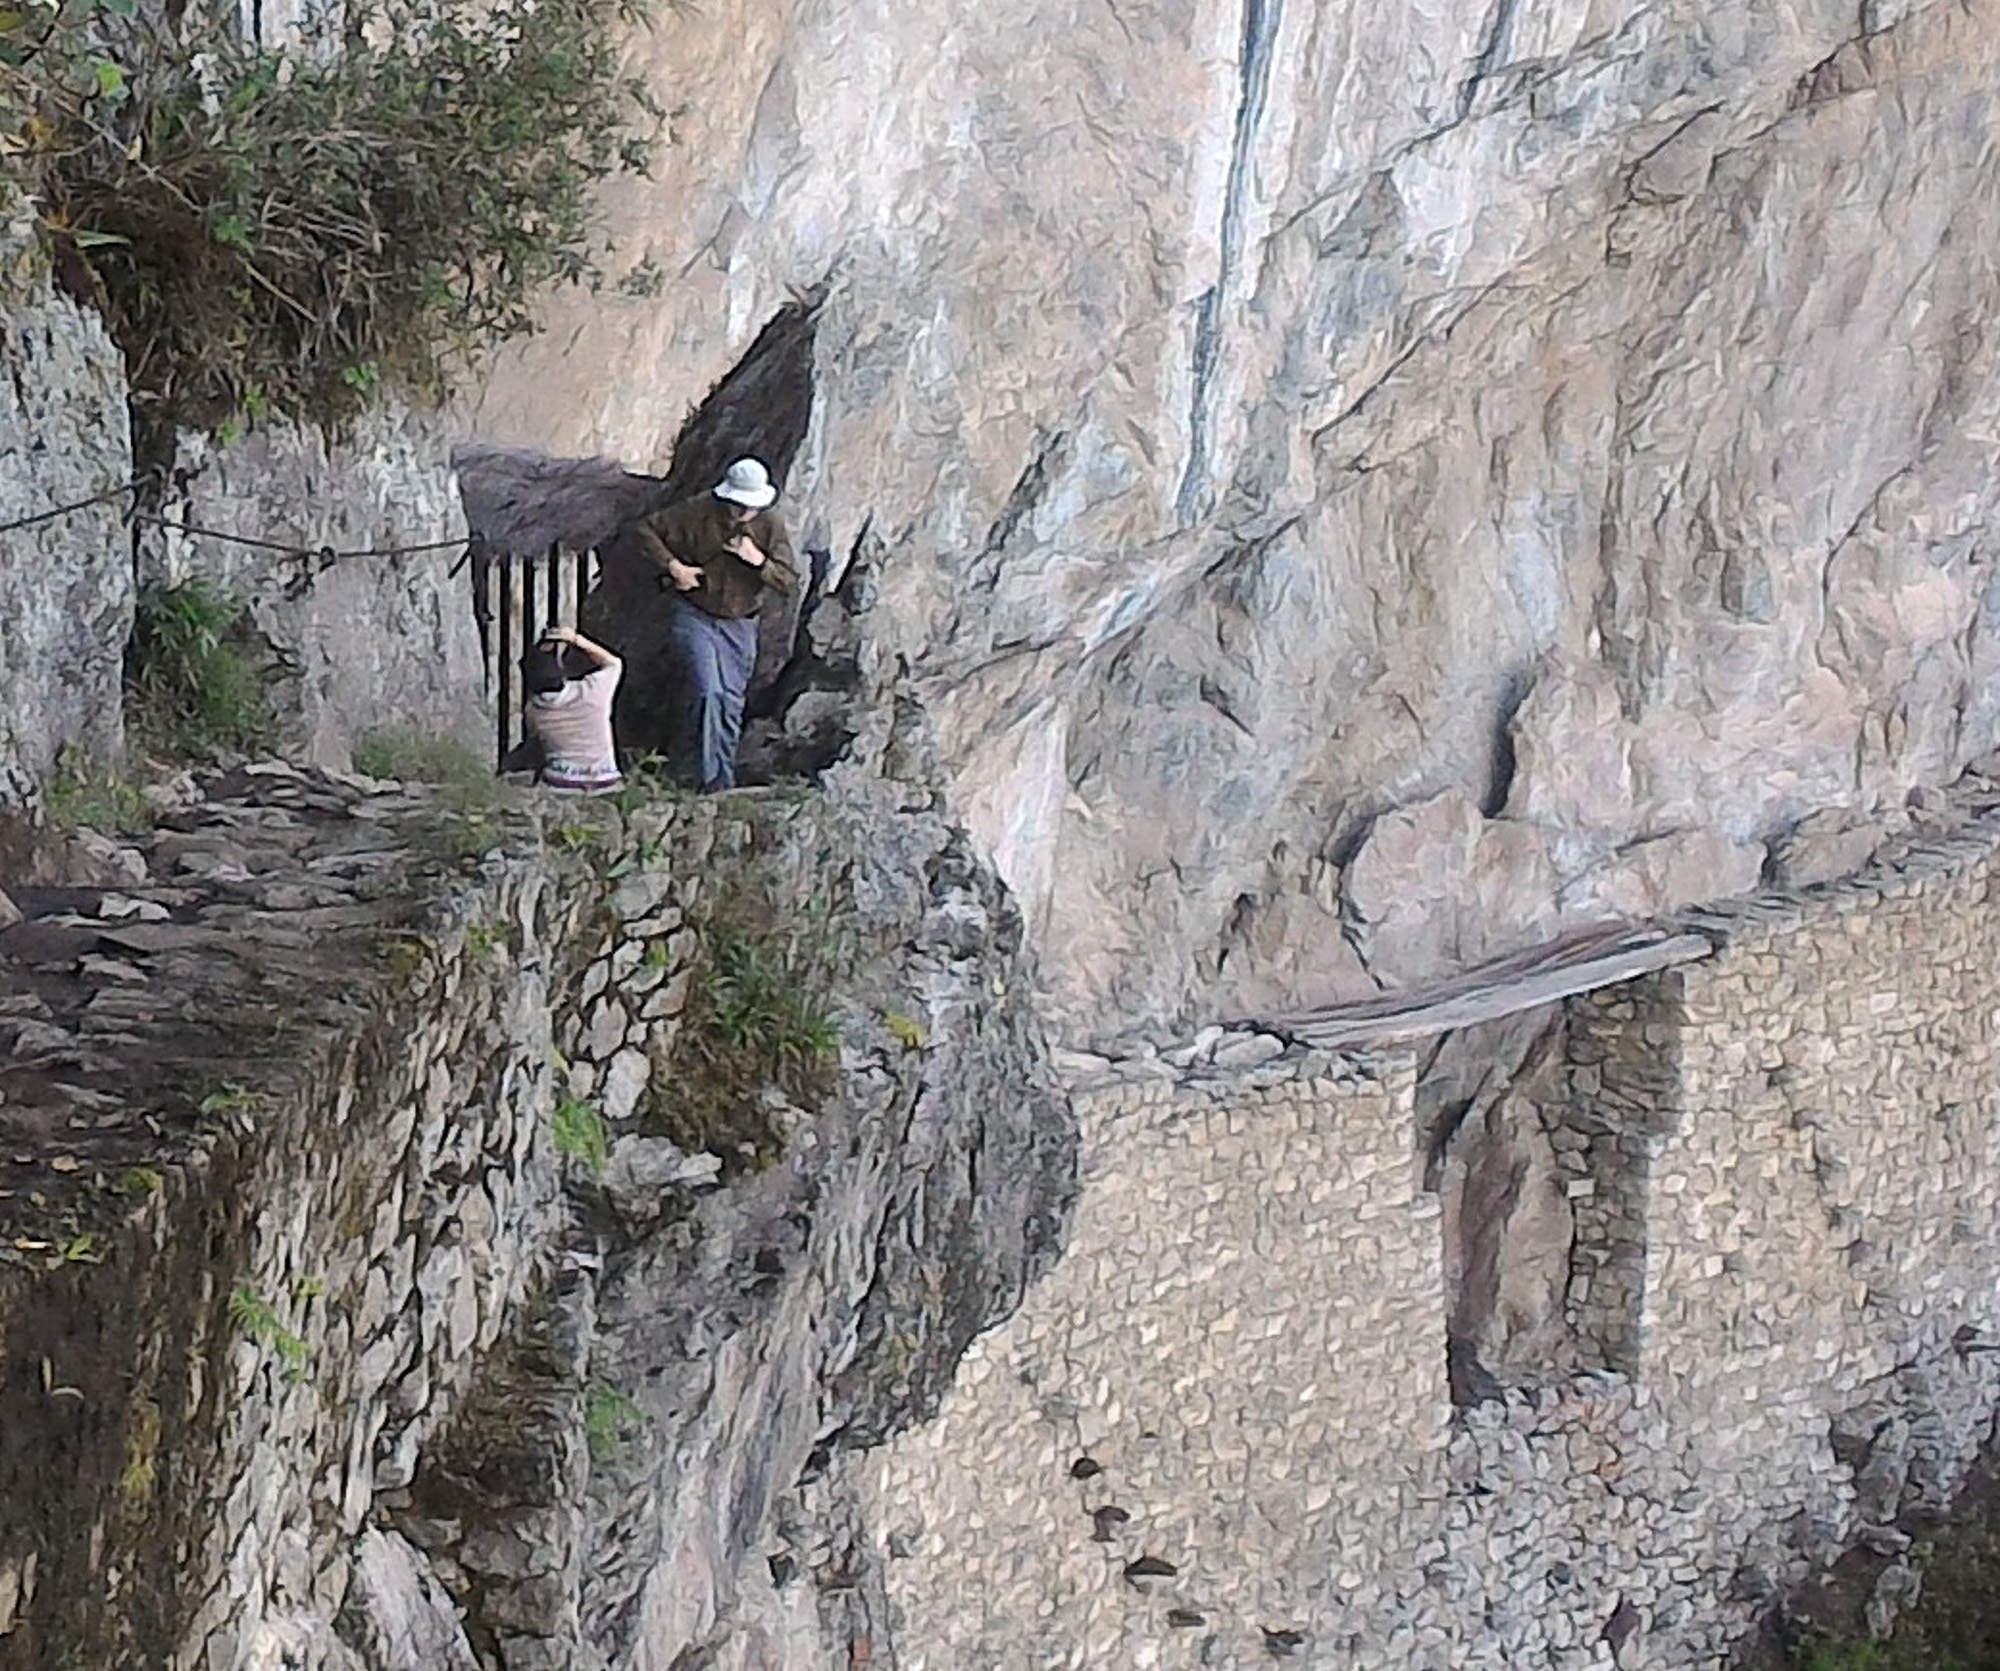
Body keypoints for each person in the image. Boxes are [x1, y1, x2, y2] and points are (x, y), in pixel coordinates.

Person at [630, 457, 797, 792]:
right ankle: (707, 780)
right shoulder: (697, 511)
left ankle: (720, 779)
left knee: (730, 702)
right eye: (739, 505)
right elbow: (645, 530)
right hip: (696, 613)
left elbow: (789, 581)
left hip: (740, 624)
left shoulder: (770, 525)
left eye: (750, 506)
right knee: (708, 692)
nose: (745, 512)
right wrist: (674, 566)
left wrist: (758, 561)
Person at [520, 624, 623, 793]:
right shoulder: (592, 691)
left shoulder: (533, 712)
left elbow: (534, 740)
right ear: (562, 674)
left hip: (561, 783)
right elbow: (614, 663)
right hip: (605, 779)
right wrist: (575, 639)